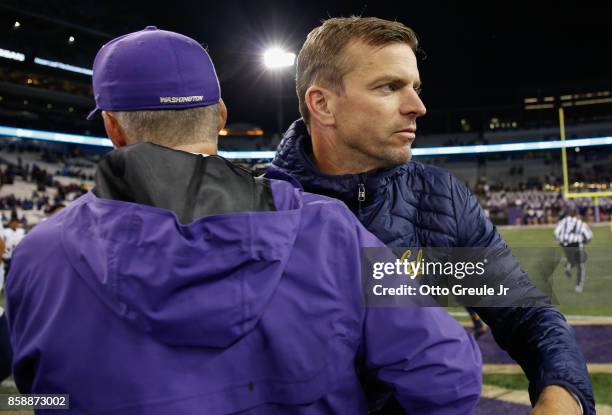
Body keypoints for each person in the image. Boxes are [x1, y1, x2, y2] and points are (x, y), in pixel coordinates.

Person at [6, 27, 481, 414]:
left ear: (112, 126)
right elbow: (446, 378)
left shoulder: (38, 254)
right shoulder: (328, 230)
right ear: (221, 117)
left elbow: (38, 393)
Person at [270, 16, 594, 414]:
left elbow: (525, 315)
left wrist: (565, 393)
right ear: (322, 104)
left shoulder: (438, 199)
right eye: (389, 87)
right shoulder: (251, 208)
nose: (417, 107)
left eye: (415, 88)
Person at [554, 207, 593, 292]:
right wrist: (584, 241)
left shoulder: (562, 222)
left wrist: (560, 241)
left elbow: (556, 233)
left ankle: (568, 265)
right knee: (580, 265)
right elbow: (588, 236)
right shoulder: (580, 223)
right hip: (576, 244)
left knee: (573, 260)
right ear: (576, 214)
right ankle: (579, 286)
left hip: (564, 245)